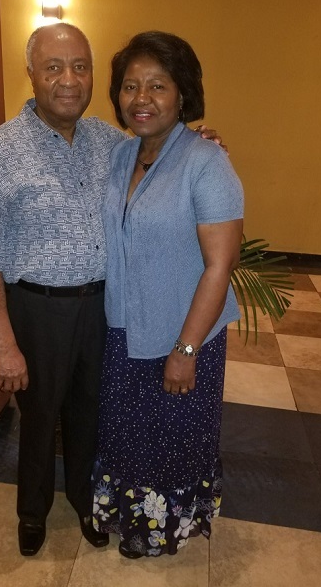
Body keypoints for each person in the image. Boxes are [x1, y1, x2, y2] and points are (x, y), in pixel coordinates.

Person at [0, 23, 223, 557]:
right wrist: (5, 344)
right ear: (31, 74)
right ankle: (32, 511)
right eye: (54, 67)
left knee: (90, 414)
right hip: (37, 309)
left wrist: (202, 143)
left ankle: (88, 502)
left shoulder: (111, 143)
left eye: (80, 67)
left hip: (103, 306)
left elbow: (163, 158)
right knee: (39, 418)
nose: (68, 80)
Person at [92, 31, 244, 559]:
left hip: (183, 333)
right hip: (124, 329)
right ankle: (129, 520)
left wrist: (186, 349)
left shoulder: (206, 162)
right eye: (130, 85)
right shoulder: (120, 155)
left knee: (173, 442)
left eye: (157, 85)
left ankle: (163, 531)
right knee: (128, 438)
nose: (142, 98)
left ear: (182, 94)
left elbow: (221, 264)